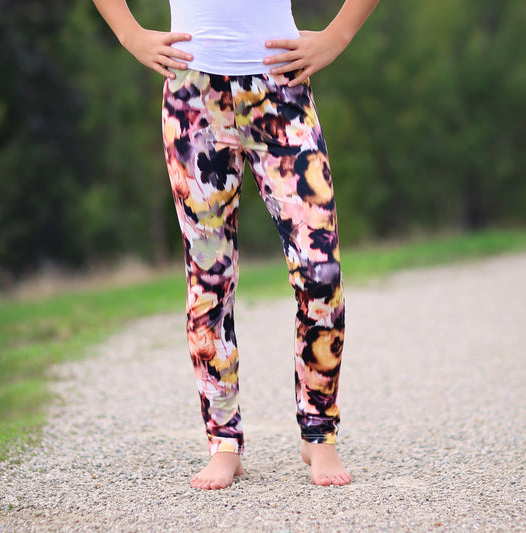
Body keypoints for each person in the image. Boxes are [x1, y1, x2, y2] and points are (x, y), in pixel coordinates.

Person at [91, 0, 380, 490]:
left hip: (281, 88)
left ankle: (319, 432)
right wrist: (129, 33)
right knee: (209, 282)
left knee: (320, 273)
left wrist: (339, 35)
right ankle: (224, 442)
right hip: (192, 94)